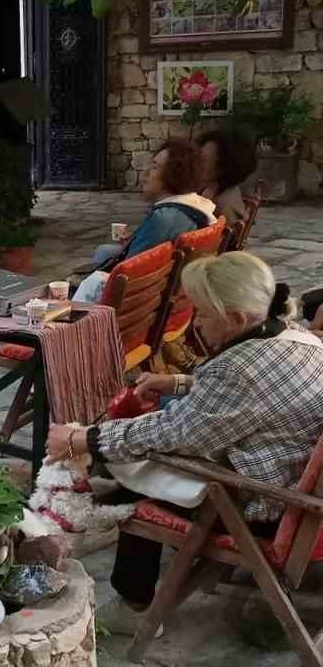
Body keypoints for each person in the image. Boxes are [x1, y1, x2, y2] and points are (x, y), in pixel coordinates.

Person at [46, 252, 323, 635]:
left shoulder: (237, 369)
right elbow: (257, 396)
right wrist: (176, 383)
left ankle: (135, 604)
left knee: (136, 468)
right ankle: (101, 506)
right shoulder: (301, 339)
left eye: (204, 314)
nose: (196, 323)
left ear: (236, 319)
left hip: (260, 506)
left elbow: (172, 433)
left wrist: (82, 438)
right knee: (139, 452)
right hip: (297, 489)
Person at [72, 139, 215, 303]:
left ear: (174, 175)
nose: (146, 173)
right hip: (162, 297)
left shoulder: (163, 219)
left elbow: (125, 278)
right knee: (104, 252)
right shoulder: (196, 209)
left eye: (154, 167)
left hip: (135, 308)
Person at [196, 127, 258, 222]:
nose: (195, 164)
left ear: (223, 167)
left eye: (203, 160)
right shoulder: (227, 189)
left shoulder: (218, 208)